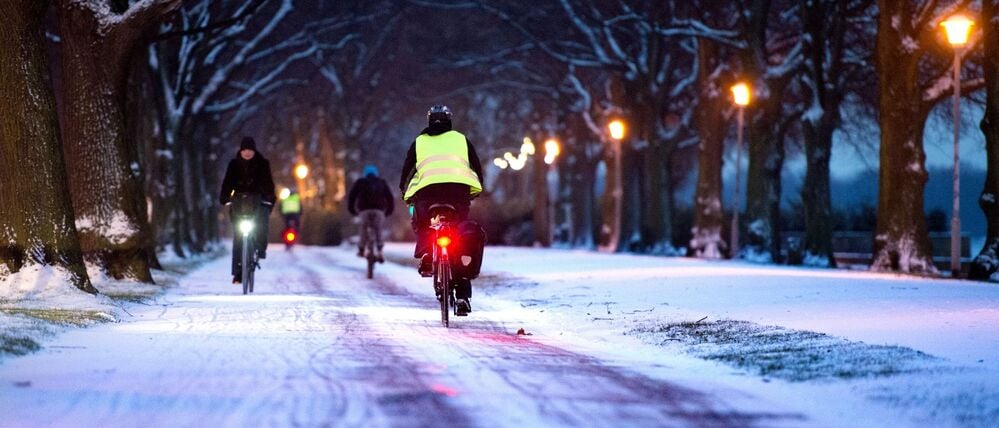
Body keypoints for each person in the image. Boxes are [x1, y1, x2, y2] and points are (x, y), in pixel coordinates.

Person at [399, 105, 483, 315]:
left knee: (423, 222)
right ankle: (463, 293)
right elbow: (476, 167)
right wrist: (476, 188)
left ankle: (428, 253)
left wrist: (405, 192)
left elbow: (407, 171)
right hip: (458, 194)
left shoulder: (419, 142)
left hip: (428, 195)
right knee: (461, 234)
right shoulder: (461, 139)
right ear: (449, 120)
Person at [219, 136, 276, 284]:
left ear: (254, 150)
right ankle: (238, 272)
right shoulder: (233, 164)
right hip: (239, 202)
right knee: (238, 237)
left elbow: (269, 183)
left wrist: (269, 198)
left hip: (258, 201)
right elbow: (227, 182)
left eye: (250, 150)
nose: (248, 153)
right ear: (241, 150)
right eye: (245, 150)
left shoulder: (263, 164)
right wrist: (225, 197)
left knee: (261, 225)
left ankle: (260, 249)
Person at [347, 165, 394, 262]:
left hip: (364, 210)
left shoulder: (360, 182)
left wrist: (352, 209)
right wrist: (388, 211)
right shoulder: (382, 182)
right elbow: (390, 198)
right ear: (376, 173)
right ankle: (380, 250)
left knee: (364, 228)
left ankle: (361, 249)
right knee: (378, 229)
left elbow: (352, 196)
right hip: (379, 211)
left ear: (365, 173)